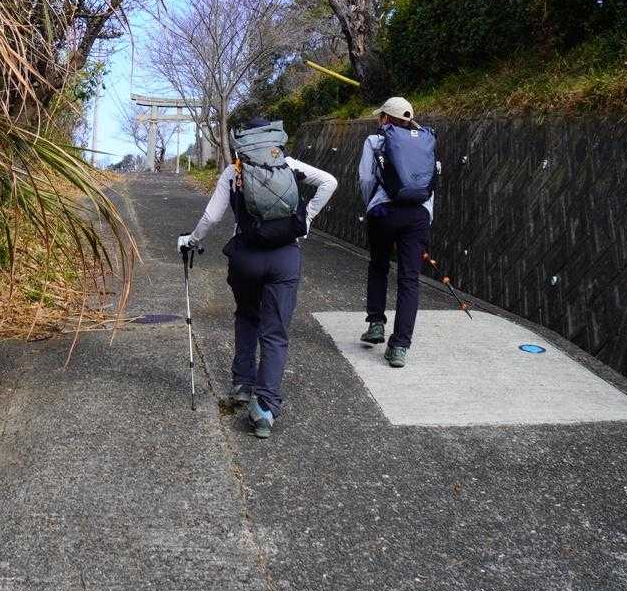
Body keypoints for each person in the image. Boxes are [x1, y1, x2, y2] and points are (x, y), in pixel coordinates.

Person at [181, 117, 337, 439]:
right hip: (285, 257)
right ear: (273, 140)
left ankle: (242, 384)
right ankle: (265, 408)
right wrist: (306, 219)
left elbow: (211, 216)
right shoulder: (288, 165)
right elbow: (329, 182)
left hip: (246, 258)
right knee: (275, 332)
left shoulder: (234, 170)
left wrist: (191, 240)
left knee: (247, 316)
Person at [357, 96, 438, 368]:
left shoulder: (375, 141)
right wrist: (426, 215)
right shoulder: (426, 140)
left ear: (384, 118)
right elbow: (431, 182)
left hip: (384, 212)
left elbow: (366, 178)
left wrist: (371, 205)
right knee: (409, 279)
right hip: (418, 214)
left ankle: (376, 324)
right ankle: (400, 347)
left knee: (379, 265)